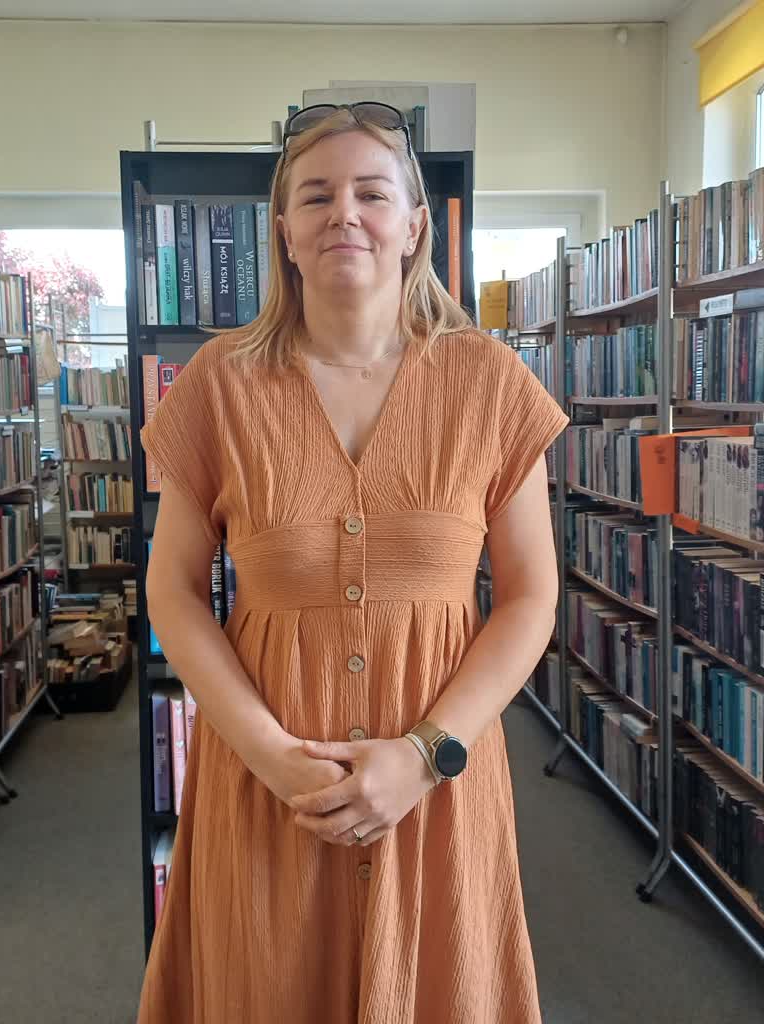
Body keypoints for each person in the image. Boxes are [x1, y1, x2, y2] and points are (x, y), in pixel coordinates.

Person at [137, 102, 566, 1023]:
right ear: (284, 232)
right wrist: (271, 756)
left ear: (413, 226)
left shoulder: (491, 383)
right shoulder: (217, 385)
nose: (345, 213)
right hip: (270, 788)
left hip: (437, 789)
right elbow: (172, 591)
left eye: (372, 193)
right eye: (316, 196)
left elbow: (531, 597)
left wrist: (424, 756)